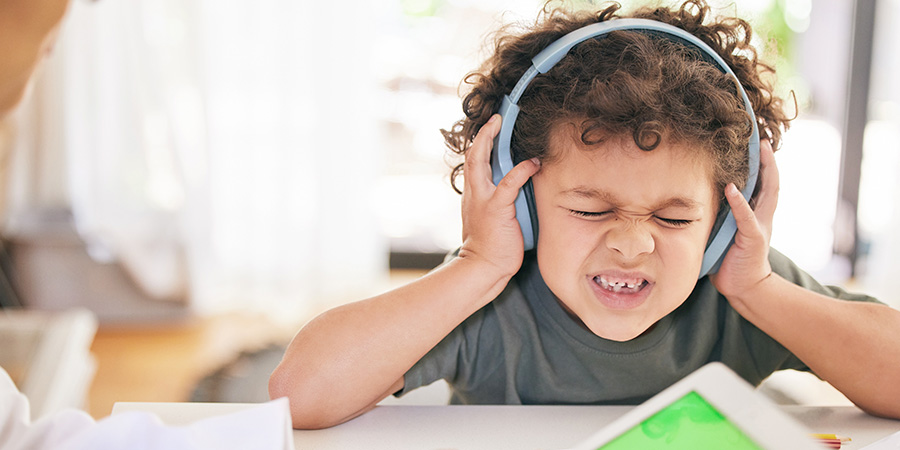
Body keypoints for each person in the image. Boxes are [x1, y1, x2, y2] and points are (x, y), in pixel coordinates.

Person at [268, 0, 900, 429]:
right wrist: (477, 266)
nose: (631, 245)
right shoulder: (489, 300)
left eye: (675, 220)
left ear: (721, 225)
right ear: (524, 204)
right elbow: (298, 396)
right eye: (591, 210)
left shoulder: (742, 292)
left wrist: (762, 292)